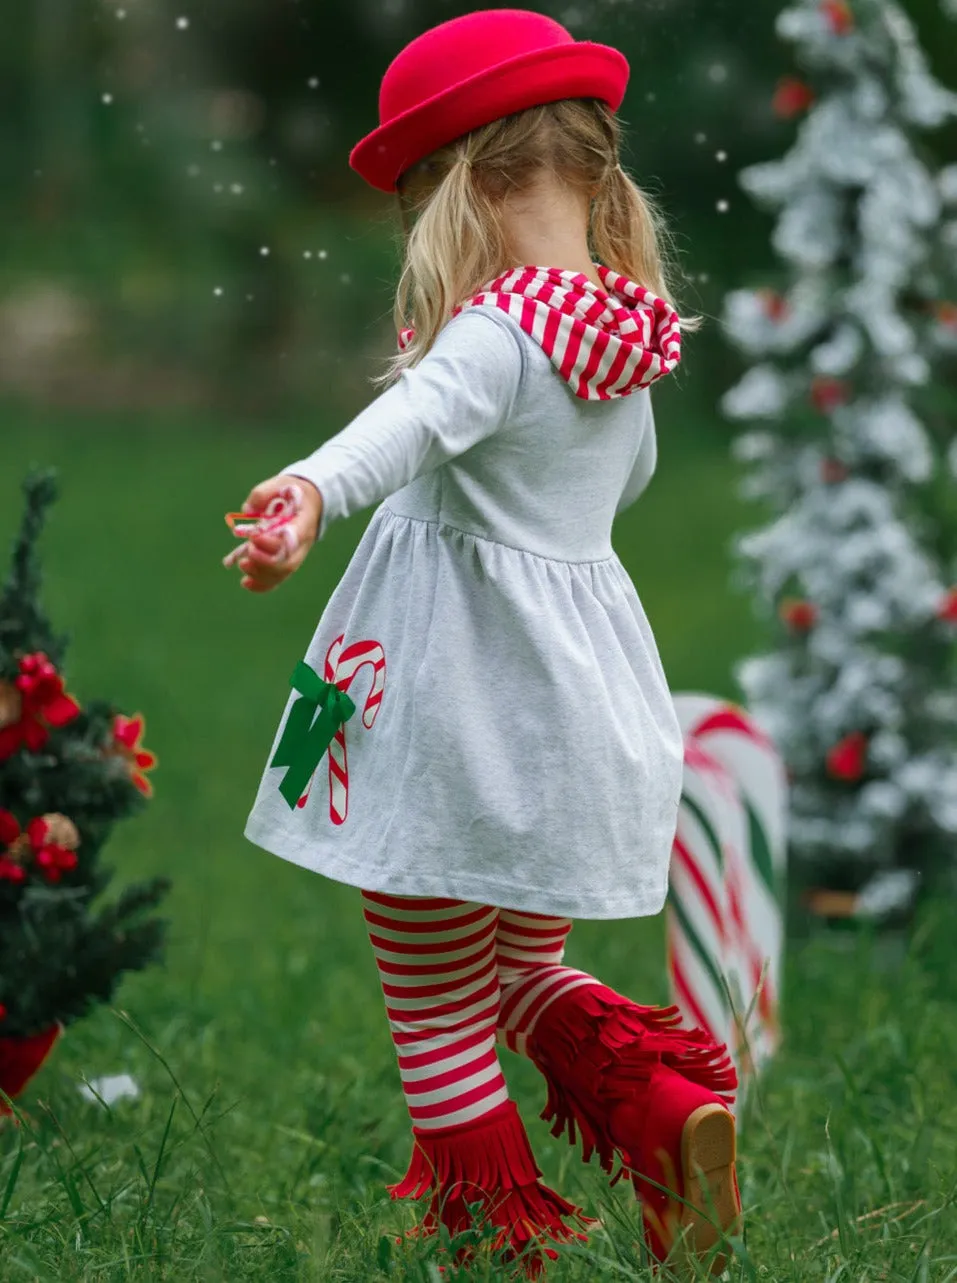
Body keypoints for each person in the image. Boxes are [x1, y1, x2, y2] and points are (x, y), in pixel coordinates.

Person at [230, 8, 741, 1276]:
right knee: (520, 976)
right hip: (570, 717)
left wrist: (307, 489)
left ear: (456, 184)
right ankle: (674, 1116)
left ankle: (493, 1243)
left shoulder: (498, 333)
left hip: (450, 712)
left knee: (436, 1006)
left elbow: (401, 431)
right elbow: (613, 502)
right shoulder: (627, 339)